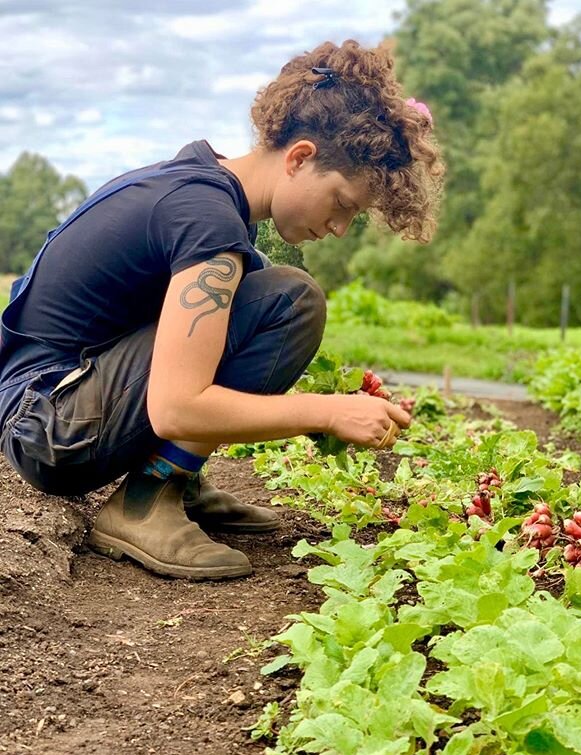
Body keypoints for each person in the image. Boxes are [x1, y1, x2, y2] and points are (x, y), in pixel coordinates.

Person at [0, 39, 444, 581]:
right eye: (343, 204)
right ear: (300, 157)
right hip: (48, 423)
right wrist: (328, 412)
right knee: (290, 301)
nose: (338, 228)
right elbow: (177, 409)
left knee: (262, 286)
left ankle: (177, 479)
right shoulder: (206, 219)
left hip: (51, 401)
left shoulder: (206, 189)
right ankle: (145, 501)